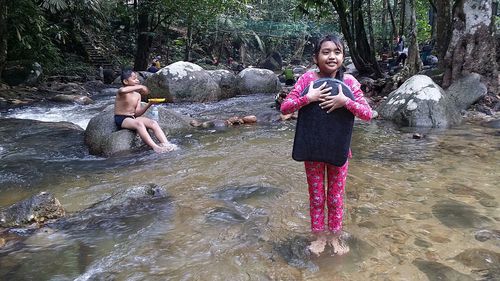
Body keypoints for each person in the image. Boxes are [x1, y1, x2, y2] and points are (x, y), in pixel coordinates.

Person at [280, 34, 372, 256]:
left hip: (339, 149)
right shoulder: (306, 80)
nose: (332, 56)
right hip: (312, 148)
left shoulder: (349, 82)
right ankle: (320, 236)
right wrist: (308, 98)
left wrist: (345, 101)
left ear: (343, 57)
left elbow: (368, 114)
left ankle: (335, 236)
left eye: (337, 52)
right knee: (317, 196)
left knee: (335, 197)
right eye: (326, 52)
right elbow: (285, 108)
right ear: (316, 57)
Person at [114, 70, 177, 153]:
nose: (137, 80)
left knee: (153, 123)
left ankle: (166, 144)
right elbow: (123, 91)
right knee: (139, 124)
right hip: (121, 118)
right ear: (125, 81)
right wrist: (141, 87)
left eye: (137, 78)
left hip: (132, 118)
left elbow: (137, 113)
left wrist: (149, 104)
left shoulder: (137, 95)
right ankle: (155, 147)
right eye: (134, 79)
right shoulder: (121, 91)